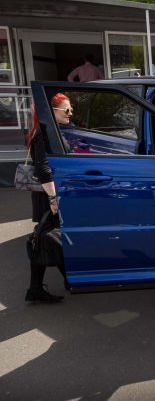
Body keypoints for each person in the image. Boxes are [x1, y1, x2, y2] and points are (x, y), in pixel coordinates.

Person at [25, 92, 72, 303]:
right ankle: (39, 288)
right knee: (47, 236)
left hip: (49, 194)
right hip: (49, 195)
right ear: (52, 112)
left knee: (49, 236)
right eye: (67, 110)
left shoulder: (48, 131)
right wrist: (54, 200)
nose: (71, 113)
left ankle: (39, 287)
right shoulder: (43, 134)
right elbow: (43, 169)